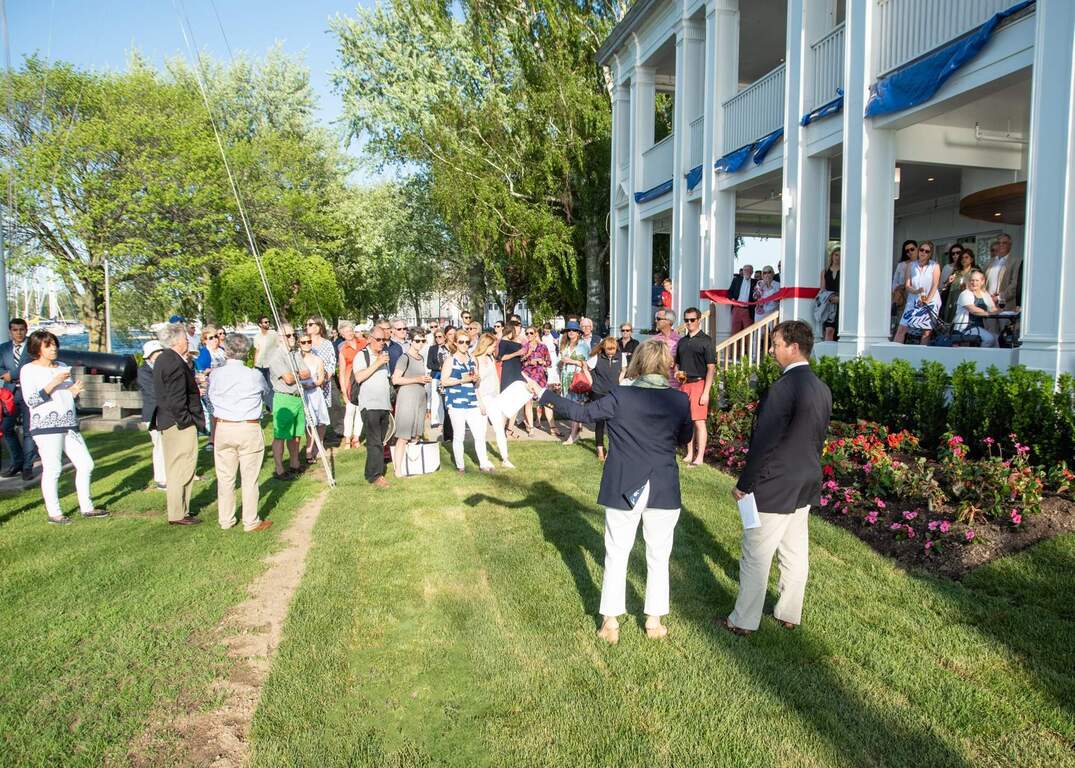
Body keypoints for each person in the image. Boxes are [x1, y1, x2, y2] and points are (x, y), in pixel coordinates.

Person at [528, 339, 693, 643]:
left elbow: (581, 414)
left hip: (624, 481)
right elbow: (685, 436)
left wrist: (543, 394)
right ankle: (653, 621)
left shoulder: (621, 395)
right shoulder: (679, 400)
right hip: (663, 484)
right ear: (665, 365)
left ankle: (611, 622)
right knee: (659, 555)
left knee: (617, 553)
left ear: (638, 363)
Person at [722, 320, 832, 635]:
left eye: (775, 344)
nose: (771, 350)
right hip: (807, 478)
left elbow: (764, 442)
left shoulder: (783, 388)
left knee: (757, 552)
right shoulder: (822, 388)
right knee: (795, 550)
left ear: (793, 347)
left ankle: (742, 620)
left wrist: (745, 485)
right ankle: (789, 613)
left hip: (776, 481)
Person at [21, 330, 108, 525]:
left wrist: (73, 392)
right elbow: (31, 400)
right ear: (37, 349)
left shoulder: (61, 366)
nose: (54, 348)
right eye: (48, 345)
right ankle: (55, 513)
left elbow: (64, 396)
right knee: (53, 468)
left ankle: (87, 507)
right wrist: (54, 382)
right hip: (46, 426)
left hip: (68, 424)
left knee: (86, 463)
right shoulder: (29, 370)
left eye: (54, 344)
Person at [208, 333, 273, 533]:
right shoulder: (254, 375)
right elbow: (266, 394)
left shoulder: (216, 374)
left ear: (227, 350)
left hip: (224, 427)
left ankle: (226, 519)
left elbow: (210, 398)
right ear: (246, 352)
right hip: (247, 427)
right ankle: (250, 521)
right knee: (249, 477)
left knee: (225, 477)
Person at [151, 322, 205, 526]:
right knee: (181, 466)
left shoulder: (164, 359)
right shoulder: (173, 362)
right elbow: (175, 398)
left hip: (169, 421)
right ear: (177, 340)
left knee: (178, 465)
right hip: (178, 423)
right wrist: (186, 421)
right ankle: (177, 512)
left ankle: (181, 509)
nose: (187, 341)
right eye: (185, 338)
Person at [440, 329, 493, 472]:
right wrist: (463, 379)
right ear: (456, 343)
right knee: (459, 435)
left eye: (467, 342)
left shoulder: (472, 359)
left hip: (472, 401)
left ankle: (483, 463)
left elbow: (476, 382)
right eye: (461, 342)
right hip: (456, 403)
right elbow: (444, 381)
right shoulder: (450, 360)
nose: (464, 345)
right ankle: (460, 466)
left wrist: (476, 380)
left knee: (479, 434)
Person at [675, 306, 717, 467]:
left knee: (699, 422)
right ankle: (690, 453)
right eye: (686, 320)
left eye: (692, 320)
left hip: (700, 383)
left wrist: (706, 392)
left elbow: (711, 368)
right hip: (684, 384)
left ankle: (699, 457)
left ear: (699, 320)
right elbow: (677, 364)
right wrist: (677, 372)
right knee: (687, 422)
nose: (689, 323)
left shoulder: (706, 340)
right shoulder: (682, 341)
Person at [351, 327, 393, 488]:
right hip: (369, 405)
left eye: (384, 340)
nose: (381, 343)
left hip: (383, 404)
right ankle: (375, 475)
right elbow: (359, 376)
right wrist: (377, 363)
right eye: (378, 339)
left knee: (379, 441)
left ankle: (372, 471)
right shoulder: (362, 356)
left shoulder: (384, 357)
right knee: (374, 440)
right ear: (369, 339)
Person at [267, 324, 308, 481]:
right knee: (280, 435)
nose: (293, 338)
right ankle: (279, 469)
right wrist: (296, 374)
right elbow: (288, 379)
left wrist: (295, 373)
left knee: (296, 434)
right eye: (288, 335)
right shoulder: (276, 356)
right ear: (280, 338)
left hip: (298, 397)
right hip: (284, 398)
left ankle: (294, 463)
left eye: (294, 335)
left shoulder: (295, 354)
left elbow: (306, 373)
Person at [0, 318, 38, 480]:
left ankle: (27, 466)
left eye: (21, 329)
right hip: (10, 394)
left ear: (26, 330)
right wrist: (5, 375)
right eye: (15, 330)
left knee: (29, 430)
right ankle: (17, 461)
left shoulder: (33, 347)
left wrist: (13, 374)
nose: (19, 333)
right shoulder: (3, 348)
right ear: (10, 331)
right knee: (6, 428)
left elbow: (32, 366)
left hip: (29, 392)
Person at [391, 327, 433, 471]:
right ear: (410, 341)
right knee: (403, 436)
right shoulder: (404, 358)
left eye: (423, 341)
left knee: (416, 435)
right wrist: (417, 379)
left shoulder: (421, 358)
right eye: (417, 341)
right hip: (407, 399)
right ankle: (398, 470)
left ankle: (412, 467)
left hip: (420, 398)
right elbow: (395, 379)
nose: (420, 343)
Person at [474, 333, 514, 468]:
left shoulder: (491, 358)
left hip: (493, 397)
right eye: (492, 346)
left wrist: (498, 395)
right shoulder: (475, 359)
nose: (494, 349)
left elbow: (495, 378)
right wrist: (479, 402)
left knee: (499, 428)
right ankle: (483, 461)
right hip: (481, 398)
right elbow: (474, 384)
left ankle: (505, 458)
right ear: (485, 345)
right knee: (481, 431)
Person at [586, 337, 627, 461]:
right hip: (598, 393)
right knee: (600, 423)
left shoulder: (621, 356)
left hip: (614, 393)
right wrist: (592, 383)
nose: (611, 352)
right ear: (604, 348)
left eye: (613, 349)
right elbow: (587, 369)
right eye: (608, 349)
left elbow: (624, 370)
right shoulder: (597, 357)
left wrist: (619, 381)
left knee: (613, 423)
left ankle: (611, 450)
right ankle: (600, 450)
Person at [894, 241, 941, 345]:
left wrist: (927, 301)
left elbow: (935, 285)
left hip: (931, 299)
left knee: (926, 331)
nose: (923, 252)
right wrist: (916, 291)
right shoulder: (911, 265)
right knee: (902, 328)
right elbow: (907, 285)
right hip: (913, 299)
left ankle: (922, 356)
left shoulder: (935, 266)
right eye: (921, 250)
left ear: (930, 253)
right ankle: (894, 353)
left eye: (927, 251)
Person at [137, 340, 168, 491]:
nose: (160, 356)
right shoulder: (144, 371)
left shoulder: (163, 369)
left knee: (166, 445)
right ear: (149, 356)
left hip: (165, 412)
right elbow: (155, 392)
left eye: (162, 353)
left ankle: (168, 475)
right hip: (153, 414)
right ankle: (161, 479)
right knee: (159, 445)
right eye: (157, 354)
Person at [304, 317, 336, 457]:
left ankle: (320, 443)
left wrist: (324, 380)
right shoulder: (304, 342)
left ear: (318, 326)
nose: (308, 326)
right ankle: (310, 445)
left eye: (310, 324)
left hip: (324, 385)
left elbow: (331, 363)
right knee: (310, 417)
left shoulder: (327, 344)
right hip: (307, 386)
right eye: (306, 324)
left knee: (321, 417)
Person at [297, 331, 330, 460]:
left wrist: (314, 384)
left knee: (321, 421)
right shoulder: (297, 360)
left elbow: (321, 377)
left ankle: (319, 444)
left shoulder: (318, 359)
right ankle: (309, 448)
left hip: (316, 392)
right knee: (309, 422)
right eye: (303, 342)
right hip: (304, 393)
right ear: (299, 344)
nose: (306, 344)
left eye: (308, 341)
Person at [195, 325, 227, 451]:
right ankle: (212, 440)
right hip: (211, 387)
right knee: (214, 414)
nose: (215, 339)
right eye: (211, 337)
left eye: (216, 336)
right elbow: (200, 372)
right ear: (204, 340)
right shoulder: (203, 353)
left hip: (224, 386)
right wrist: (210, 371)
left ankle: (223, 438)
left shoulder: (222, 351)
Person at [557, 320, 589, 446]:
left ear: (578, 332)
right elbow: (561, 362)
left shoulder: (583, 345)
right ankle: (576, 431)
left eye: (574, 330)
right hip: (565, 378)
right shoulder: (564, 345)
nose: (571, 332)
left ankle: (573, 435)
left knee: (574, 408)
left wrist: (571, 361)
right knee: (570, 408)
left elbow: (586, 364)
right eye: (569, 330)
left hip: (576, 379)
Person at [496, 321, 530, 434]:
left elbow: (517, 356)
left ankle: (509, 428)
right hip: (509, 371)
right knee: (508, 399)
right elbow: (501, 357)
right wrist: (517, 353)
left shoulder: (514, 341)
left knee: (516, 399)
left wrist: (524, 355)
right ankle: (502, 428)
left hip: (517, 369)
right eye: (515, 329)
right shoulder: (504, 342)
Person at [953, 270, 1003, 347]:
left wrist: (1003, 310)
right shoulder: (965, 294)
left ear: (982, 282)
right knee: (989, 339)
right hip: (966, 327)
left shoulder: (985, 294)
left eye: (977, 280)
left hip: (982, 327)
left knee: (997, 338)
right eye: (972, 280)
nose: (974, 283)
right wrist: (989, 313)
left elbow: (993, 309)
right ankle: (978, 358)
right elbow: (973, 310)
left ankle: (990, 359)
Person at [337, 322, 364, 449]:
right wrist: (343, 390)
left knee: (360, 410)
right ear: (342, 334)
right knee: (349, 410)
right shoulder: (343, 350)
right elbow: (341, 372)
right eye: (346, 332)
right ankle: (347, 438)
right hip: (350, 382)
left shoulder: (363, 343)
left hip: (363, 379)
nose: (349, 333)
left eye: (350, 330)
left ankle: (357, 437)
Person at [520, 326, 552, 435]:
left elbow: (549, 362)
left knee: (546, 401)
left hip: (540, 377)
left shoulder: (543, 347)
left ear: (535, 334)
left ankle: (552, 427)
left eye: (531, 333)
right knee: (528, 402)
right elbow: (519, 362)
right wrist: (529, 360)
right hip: (527, 376)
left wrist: (542, 362)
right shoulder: (523, 347)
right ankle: (531, 428)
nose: (529, 335)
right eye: (527, 333)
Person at [942, 248, 977, 323]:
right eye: (962, 258)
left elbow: (979, 289)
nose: (964, 259)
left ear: (971, 259)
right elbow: (945, 287)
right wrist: (948, 282)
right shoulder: (956, 272)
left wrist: (967, 288)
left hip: (967, 304)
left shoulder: (975, 272)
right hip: (953, 302)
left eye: (966, 257)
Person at [427, 328, 450, 431]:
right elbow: (429, 364)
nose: (438, 339)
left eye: (440, 336)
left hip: (447, 376)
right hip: (436, 375)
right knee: (436, 398)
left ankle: (446, 420)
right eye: (436, 337)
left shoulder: (449, 348)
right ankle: (435, 420)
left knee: (446, 399)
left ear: (444, 337)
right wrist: (439, 368)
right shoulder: (432, 349)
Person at [891, 240, 917, 323]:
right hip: (903, 297)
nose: (910, 252)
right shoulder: (901, 265)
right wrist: (898, 288)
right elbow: (894, 282)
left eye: (912, 249)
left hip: (917, 297)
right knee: (901, 323)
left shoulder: (923, 264)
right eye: (907, 251)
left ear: (917, 249)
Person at [653, 309, 680, 386]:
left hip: (675, 386)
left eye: (658, 319)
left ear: (668, 321)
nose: (656, 321)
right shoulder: (654, 340)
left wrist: (675, 362)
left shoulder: (680, 340)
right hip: (658, 385)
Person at [727, 265, 756, 335]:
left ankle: (747, 346)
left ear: (752, 272)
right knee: (735, 331)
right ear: (742, 271)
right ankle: (734, 346)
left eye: (749, 270)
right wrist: (732, 299)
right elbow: (730, 292)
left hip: (748, 310)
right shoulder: (736, 280)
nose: (746, 272)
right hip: (736, 309)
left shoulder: (755, 282)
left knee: (748, 332)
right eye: (745, 270)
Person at [820, 249, 840, 341]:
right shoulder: (825, 272)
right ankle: (826, 355)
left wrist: (840, 299)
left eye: (840, 255)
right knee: (829, 330)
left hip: (841, 304)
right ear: (832, 256)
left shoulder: (845, 271)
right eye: (836, 255)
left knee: (839, 331)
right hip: (829, 303)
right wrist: (829, 298)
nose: (837, 257)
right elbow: (822, 290)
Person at [252, 315, 278, 383]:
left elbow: (279, 347)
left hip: (272, 364)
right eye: (265, 322)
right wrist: (254, 365)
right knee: (263, 384)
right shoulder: (257, 337)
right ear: (260, 324)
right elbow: (257, 351)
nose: (268, 323)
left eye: (268, 322)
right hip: (260, 365)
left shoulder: (274, 334)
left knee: (273, 385)